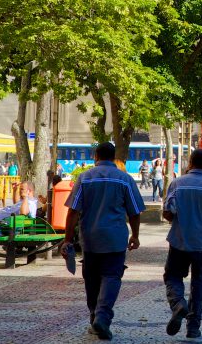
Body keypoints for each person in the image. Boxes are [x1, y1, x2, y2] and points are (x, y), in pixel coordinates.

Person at [60, 142, 144, 341]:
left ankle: (94, 317)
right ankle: (103, 316)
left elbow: (73, 211)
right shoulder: (125, 179)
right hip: (115, 238)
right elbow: (134, 212)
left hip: (90, 238)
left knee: (91, 278)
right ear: (113, 157)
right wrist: (135, 235)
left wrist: (67, 239)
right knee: (112, 277)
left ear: (96, 156)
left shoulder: (85, 178)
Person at [162, 149, 202, 339]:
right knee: (199, 285)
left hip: (179, 241)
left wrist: (176, 219)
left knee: (172, 276)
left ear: (190, 162)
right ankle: (193, 328)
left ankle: (178, 303)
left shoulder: (177, 184)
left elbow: (167, 212)